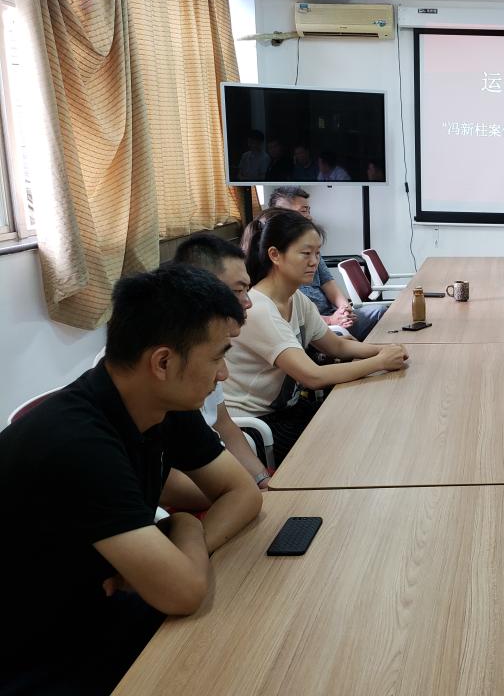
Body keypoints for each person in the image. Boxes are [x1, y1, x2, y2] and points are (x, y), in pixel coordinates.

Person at [0, 265, 262, 694]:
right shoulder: (76, 442)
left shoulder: (162, 404)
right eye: (218, 357)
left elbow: (242, 492)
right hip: (38, 654)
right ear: (163, 362)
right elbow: (183, 592)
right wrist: (186, 525)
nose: (223, 375)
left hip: (98, 611)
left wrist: (186, 544)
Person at [226, 208, 408, 462]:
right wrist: (380, 362)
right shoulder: (259, 309)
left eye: (317, 253)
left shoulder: (296, 299)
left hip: (287, 410)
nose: (314, 262)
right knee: (345, 446)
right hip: (258, 426)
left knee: (356, 425)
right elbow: (312, 376)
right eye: (305, 253)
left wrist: (386, 350)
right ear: (274, 255)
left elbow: (337, 347)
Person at [173, 233, 272, 489]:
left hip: (220, 475)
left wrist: (263, 480)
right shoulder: (167, 364)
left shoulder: (211, 346)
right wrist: (245, 491)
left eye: (247, 289)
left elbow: (224, 426)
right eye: (237, 291)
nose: (248, 303)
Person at [268, 186, 386, 340]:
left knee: (382, 313)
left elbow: (329, 284)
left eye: (316, 253)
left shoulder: (311, 249)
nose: (309, 217)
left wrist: (344, 309)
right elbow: (293, 318)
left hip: (332, 317)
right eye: (303, 211)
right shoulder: (275, 267)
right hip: (315, 326)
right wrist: (330, 320)